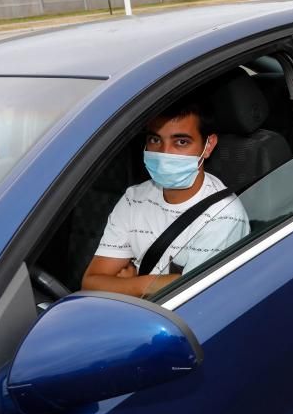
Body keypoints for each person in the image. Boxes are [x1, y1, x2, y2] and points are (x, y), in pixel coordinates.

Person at [82, 99, 249, 297]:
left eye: (181, 142)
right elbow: (90, 283)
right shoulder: (134, 198)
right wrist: (147, 286)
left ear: (209, 145)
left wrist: (127, 285)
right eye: (155, 140)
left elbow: (191, 301)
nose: (164, 153)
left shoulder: (224, 216)